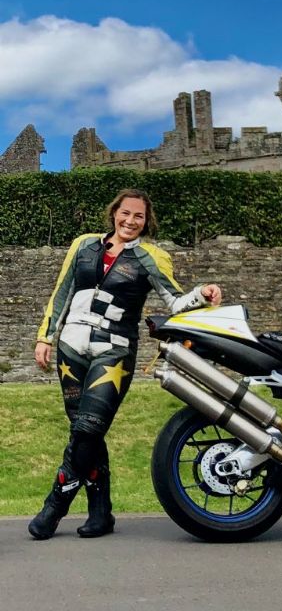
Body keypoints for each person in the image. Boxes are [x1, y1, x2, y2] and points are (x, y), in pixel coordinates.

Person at [29, 187, 222, 540]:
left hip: (114, 349)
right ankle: (101, 513)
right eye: (126, 213)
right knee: (85, 431)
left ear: (146, 222)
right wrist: (46, 336)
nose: (130, 221)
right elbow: (62, 291)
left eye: (139, 216)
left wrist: (202, 294)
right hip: (71, 347)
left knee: (88, 428)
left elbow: (174, 300)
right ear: (114, 212)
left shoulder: (151, 257)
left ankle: (54, 506)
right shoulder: (83, 245)